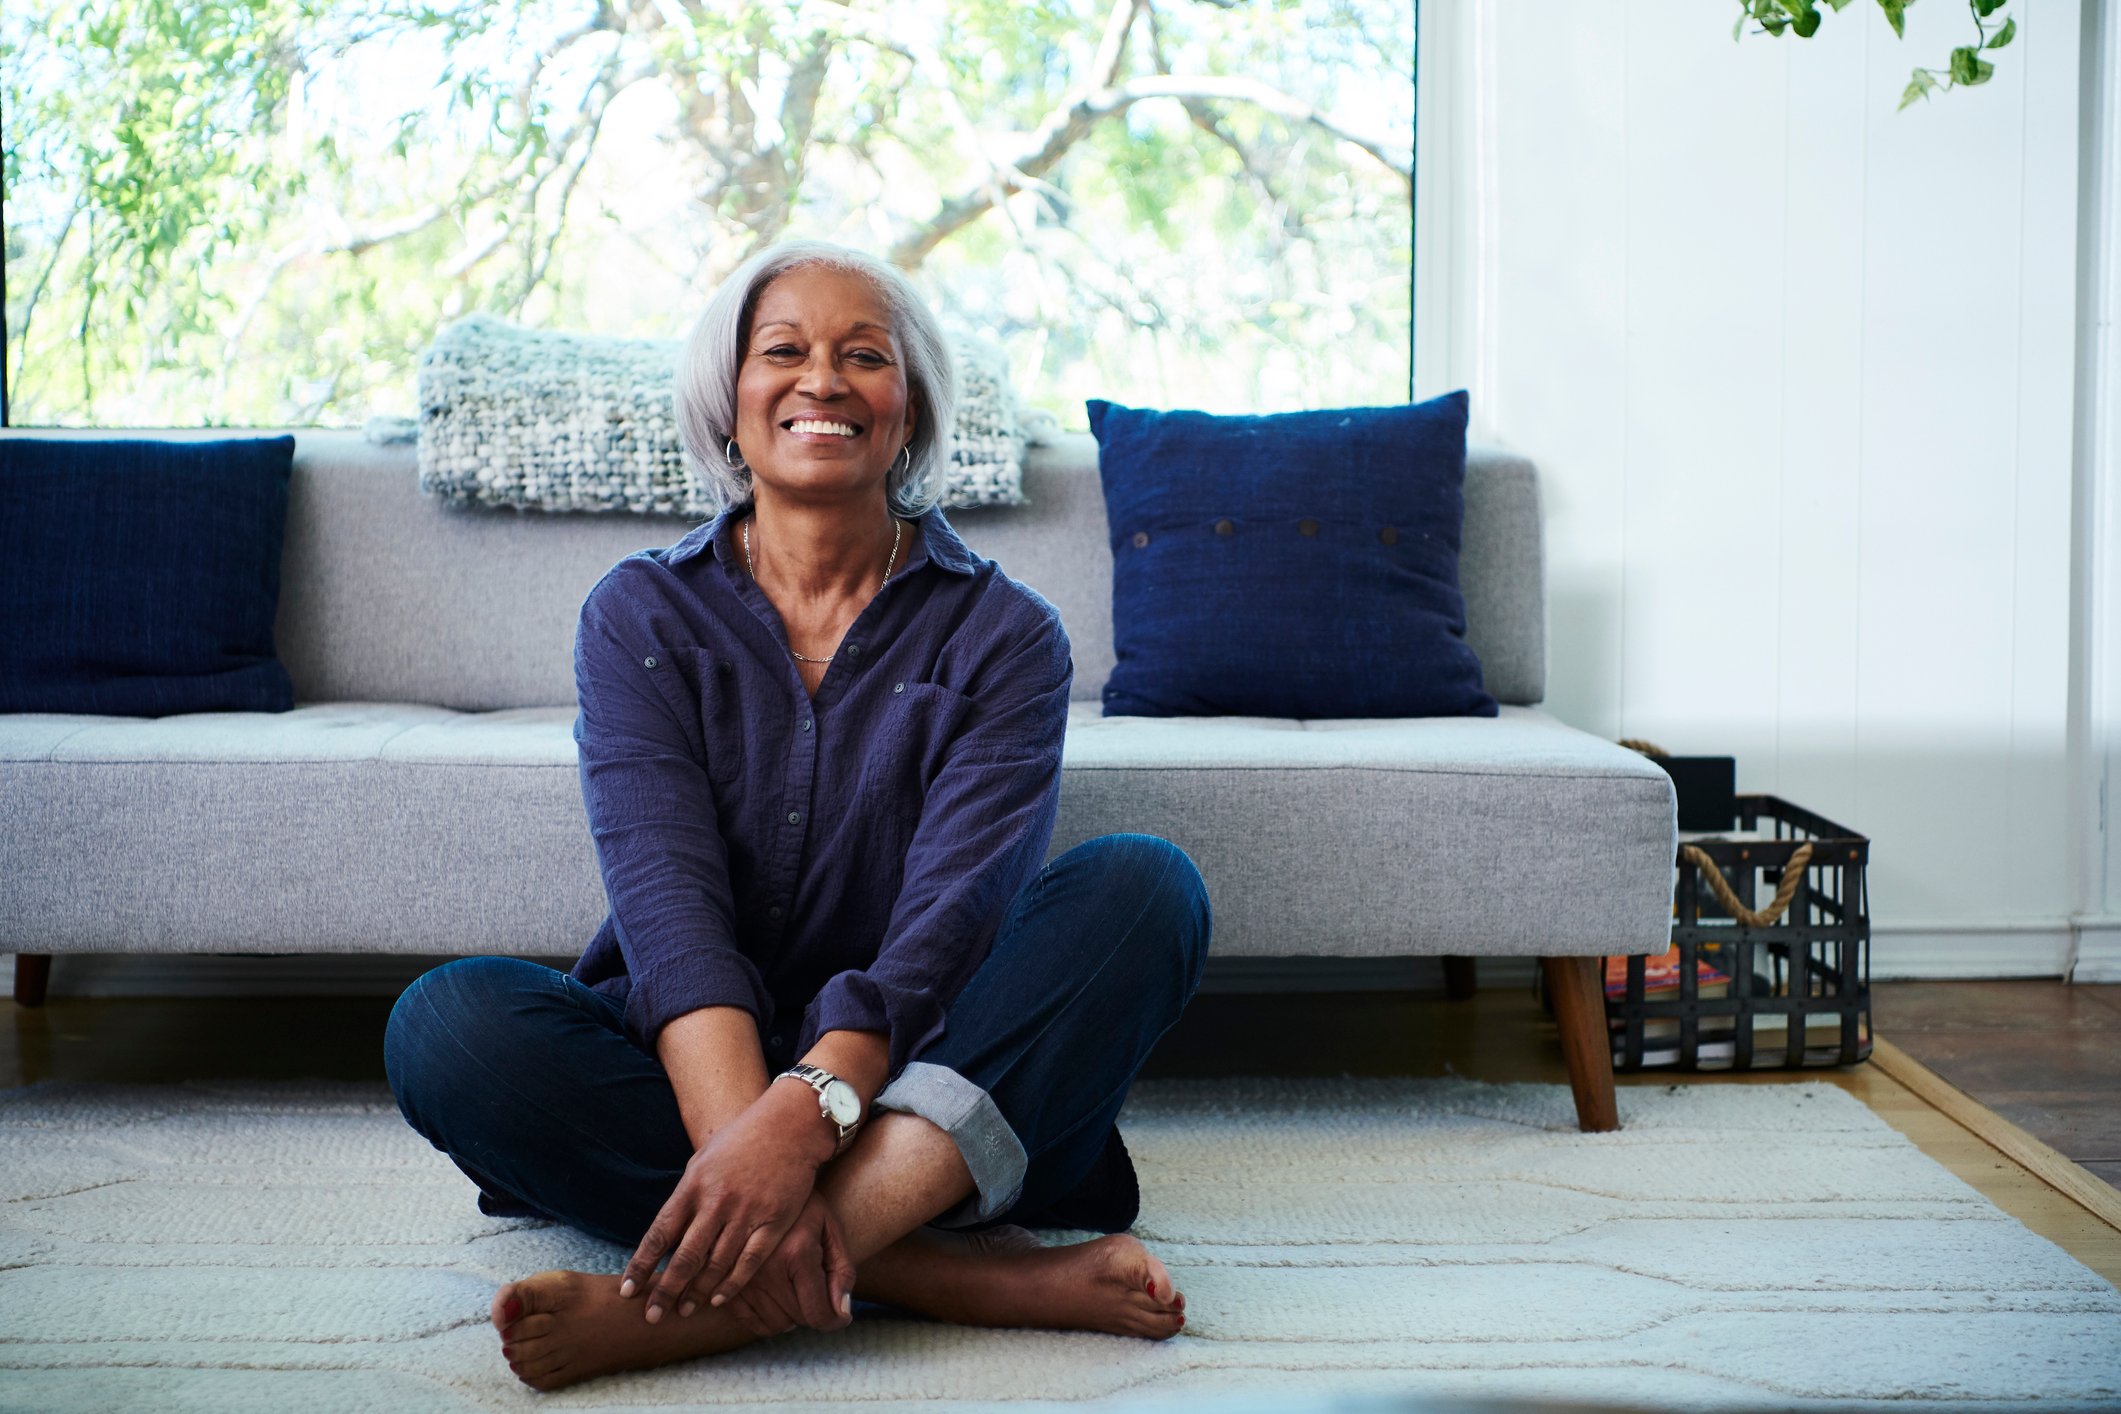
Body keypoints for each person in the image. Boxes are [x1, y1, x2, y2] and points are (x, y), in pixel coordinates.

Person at [383, 239, 1212, 1391]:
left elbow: (951, 927)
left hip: (927, 1072)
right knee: (447, 1025)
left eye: (862, 356)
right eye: (784, 351)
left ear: (907, 411)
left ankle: (687, 1308)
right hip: (693, 1065)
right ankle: (959, 1279)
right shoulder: (637, 614)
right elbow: (670, 920)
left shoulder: (1008, 636)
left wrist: (814, 1108)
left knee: (1144, 887)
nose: (821, 380)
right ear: (730, 400)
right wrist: (757, 1133)